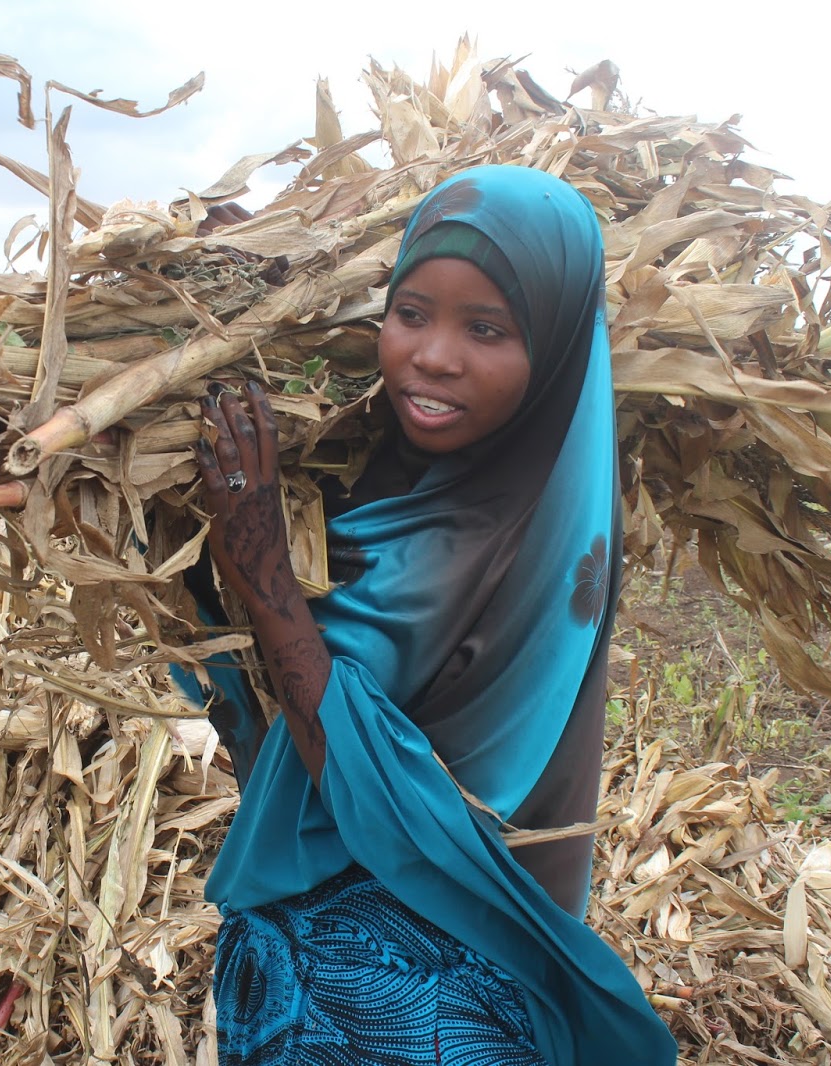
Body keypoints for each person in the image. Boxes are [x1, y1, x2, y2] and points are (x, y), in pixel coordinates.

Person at [184, 165, 678, 1064]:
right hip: (307, 952)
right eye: (411, 313)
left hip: (442, 984)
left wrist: (261, 567)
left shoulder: (520, 541)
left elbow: (357, 763)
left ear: (559, 347)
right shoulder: (401, 467)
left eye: (486, 330)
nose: (434, 356)